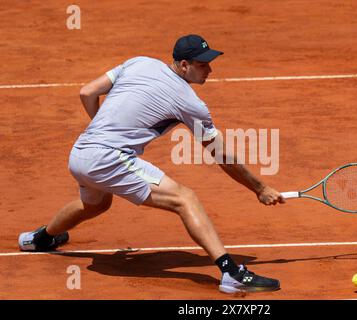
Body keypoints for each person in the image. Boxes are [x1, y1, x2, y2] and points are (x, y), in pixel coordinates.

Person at [18, 34, 285, 293]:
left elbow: (86, 92)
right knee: (185, 198)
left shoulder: (139, 62)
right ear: (184, 65)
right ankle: (231, 273)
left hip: (80, 153)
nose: (210, 70)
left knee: (96, 204)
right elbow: (220, 155)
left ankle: (39, 239)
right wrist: (259, 188)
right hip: (108, 158)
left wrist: (101, 130)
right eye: (202, 64)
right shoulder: (189, 102)